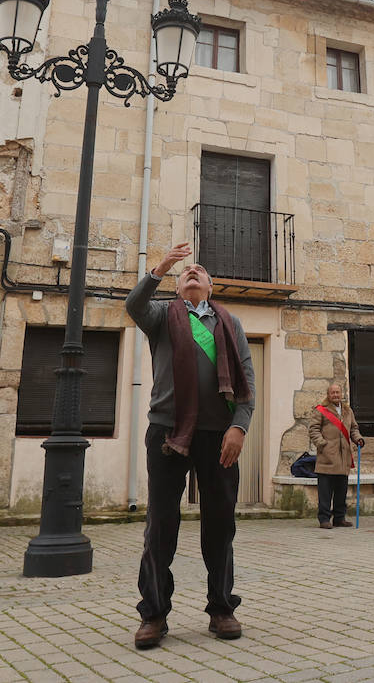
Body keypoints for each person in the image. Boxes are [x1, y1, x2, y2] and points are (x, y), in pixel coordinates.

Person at [126, 242, 255, 649]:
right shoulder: (163, 315)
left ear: (211, 288)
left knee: (220, 523)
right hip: (167, 432)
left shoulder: (229, 324)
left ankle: (222, 608)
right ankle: (154, 614)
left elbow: (247, 382)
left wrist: (239, 427)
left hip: (219, 437)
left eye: (199, 271)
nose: (193, 271)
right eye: (187, 271)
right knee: (161, 524)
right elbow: (133, 306)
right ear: (178, 286)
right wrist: (161, 267)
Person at [308, 382, 365, 529]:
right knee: (325, 493)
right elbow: (313, 429)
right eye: (332, 393)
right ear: (328, 394)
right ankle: (324, 519)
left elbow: (353, 428)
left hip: (343, 457)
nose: (335, 395)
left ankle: (339, 518)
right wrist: (322, 444)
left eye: (337, 392)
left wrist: (358, 438)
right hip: (326, 458)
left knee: (341, 491)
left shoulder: (348, 411)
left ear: (341, 394)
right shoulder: (321, 410)